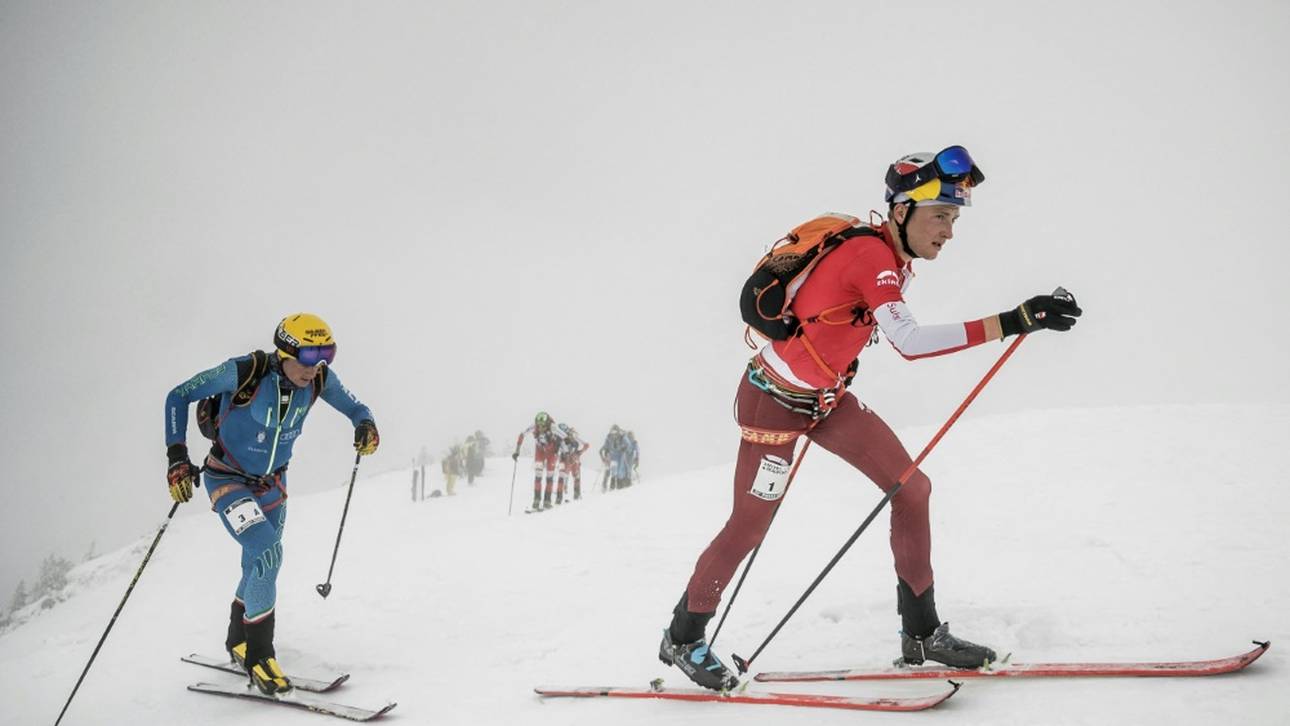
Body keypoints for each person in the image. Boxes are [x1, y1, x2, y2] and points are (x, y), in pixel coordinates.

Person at [657, 147, 1082, 691]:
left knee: (912, 489)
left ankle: (922, 633)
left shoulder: (892, 259)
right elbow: (909, 341)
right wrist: (1015, 319)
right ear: (902, 211)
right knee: (750, 524)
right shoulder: (873, 257)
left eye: (954, 218)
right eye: (941, 216)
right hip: (774, 403)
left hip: (826, 401)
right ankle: (683, 635)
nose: (949, 231)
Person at [164, 313, 379, 696]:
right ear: (286, 351)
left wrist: (366, 426)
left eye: (326, 355)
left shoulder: (320, 380)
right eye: (310, 356)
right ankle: (260, 656)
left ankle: (238, 638)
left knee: (256, 561)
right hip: (227, 478)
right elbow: (178, 394)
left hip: (273, 485)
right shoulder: (245, 372)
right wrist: (178, 457)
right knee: (267, 552)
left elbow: (357, 408)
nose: (316, 368)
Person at [513, 412, 562, 510]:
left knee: (549, 476)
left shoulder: (553, 427)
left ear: (547, 423)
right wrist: (517, 451)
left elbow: (565, 437)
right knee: (538, 476)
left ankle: (547, 500)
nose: (541, 428)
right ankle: (536, 500)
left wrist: (564, 446)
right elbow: (522, 435)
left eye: (543, 426)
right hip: (540, 451)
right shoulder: (534, 426)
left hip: (552, 453)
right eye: (539, 426)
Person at [556, 424, 590, 503]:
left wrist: (579, 453)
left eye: (565, 432)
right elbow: (556, 450)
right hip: (564, 459)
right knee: (562, 477)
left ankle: (576, 494)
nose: (564, 435)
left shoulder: (574, 437)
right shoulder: (558, 439)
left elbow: (586, 445)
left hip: (574, 459)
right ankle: (560, 496)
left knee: (576, 476)